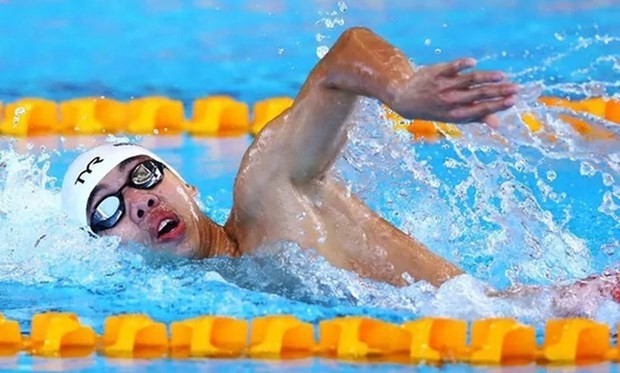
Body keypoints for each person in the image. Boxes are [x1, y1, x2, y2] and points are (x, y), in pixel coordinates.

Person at [61, 27, 618, 306]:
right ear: (106, 249)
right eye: (109, 209)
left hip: (561, 312)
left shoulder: (266, 190)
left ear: (180, 179)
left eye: (142, 175)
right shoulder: (211, 295)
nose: (140, 200)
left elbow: (345, 57)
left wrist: (403, 88)